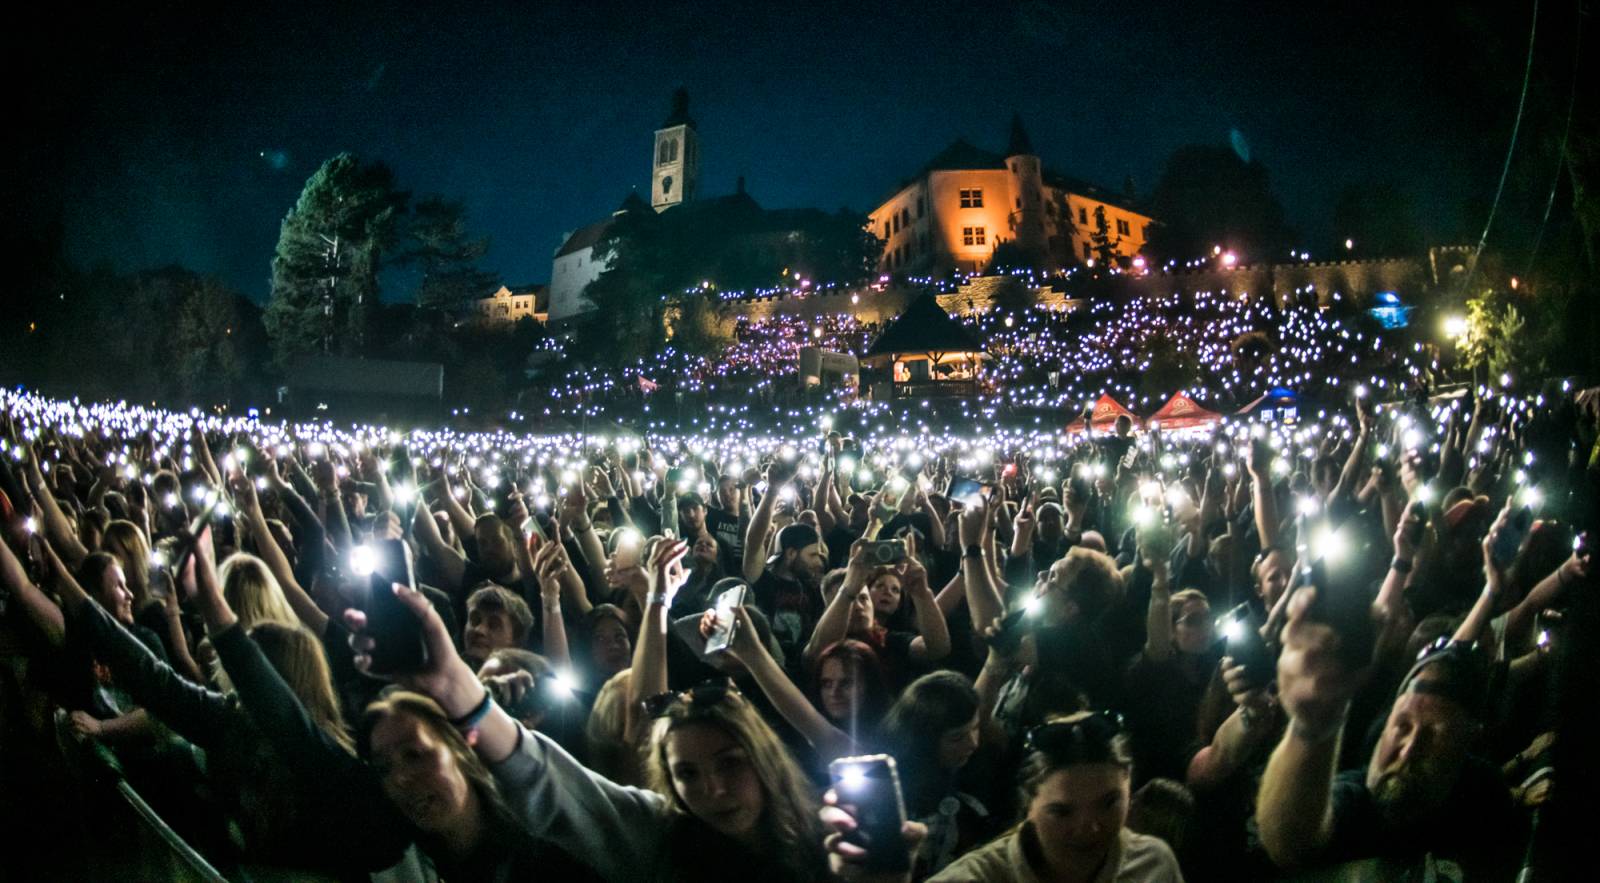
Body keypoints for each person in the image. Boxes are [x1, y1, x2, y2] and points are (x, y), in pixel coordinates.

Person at [1255, 588, 1521, 878]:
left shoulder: (1483, 797)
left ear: (1464, 744)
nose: (1409, 749)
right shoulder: (1356, 802)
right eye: (1402, 727)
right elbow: (1288, 843)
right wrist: (1311, 727)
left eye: (1433, 735)